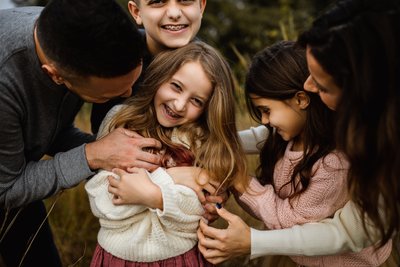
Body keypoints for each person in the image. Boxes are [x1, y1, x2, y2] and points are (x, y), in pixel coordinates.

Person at [195, 0, 400, 264]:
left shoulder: (346, 157)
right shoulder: (327, 128)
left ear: (361, 91)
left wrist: (252, 236)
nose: (307, 87)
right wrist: (214, 141)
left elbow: (351, 231)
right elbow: (264, 137)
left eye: (323, 85)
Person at [0, 0, 163, 266]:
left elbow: (48, 131)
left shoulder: (85, 32)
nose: (128, 95)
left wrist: (119, 153)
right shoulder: (6, 82)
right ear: (56, 76)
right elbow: (6, 189)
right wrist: (92, 155)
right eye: (112, 94)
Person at [85, 41, 248, 266]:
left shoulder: (201, 141)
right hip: (115, 258)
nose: (179, 105)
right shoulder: (121, 120)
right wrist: (171, 180)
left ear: (208, 107)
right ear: (160, 76)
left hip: (180, 258)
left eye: (196, 100)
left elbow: (193, 217)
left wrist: (153, 195)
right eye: (176, 87)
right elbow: (103, 204)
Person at [242, 40, 392, 266]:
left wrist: (240, 183)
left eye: (266, 110)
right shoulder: (293, 134)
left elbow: (291, 222)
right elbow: (260, 136)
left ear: (301, 100)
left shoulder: (334, 163)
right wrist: (215, 142)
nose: (264, 120)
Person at [90, 0, 207, 134]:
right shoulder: (113, 55)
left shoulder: (210, 71)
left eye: (185, 0)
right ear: (136, 12)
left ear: (201, 7)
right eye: (158, 2)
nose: (174, 13)